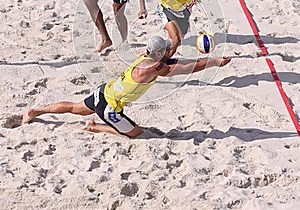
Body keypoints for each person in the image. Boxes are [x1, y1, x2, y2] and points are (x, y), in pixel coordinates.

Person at [22, 35, 231, 138]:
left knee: (74, 108)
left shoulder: (145, 58)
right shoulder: (157, 69)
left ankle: (35, 111)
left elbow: (170, 57)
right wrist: (213, 62)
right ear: (159, 54)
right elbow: (188, 68)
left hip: (104, 91)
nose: (170, 51)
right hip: (110, 108)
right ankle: (94, 127)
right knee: (136, 134)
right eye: (166, 50)